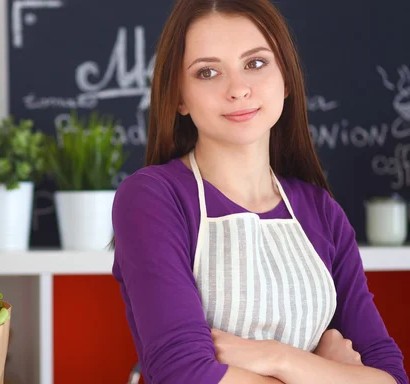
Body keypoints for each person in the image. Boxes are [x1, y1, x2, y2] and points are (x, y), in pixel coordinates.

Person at [110, 0, 408, 383]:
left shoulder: (322, 211)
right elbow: (181, 374)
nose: (237, 89)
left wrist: (278, 358)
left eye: (255, 63)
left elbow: (390, 377)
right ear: (179, 96)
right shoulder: (152, 198)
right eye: (207, 72)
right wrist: (329, 373)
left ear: (286, 78)